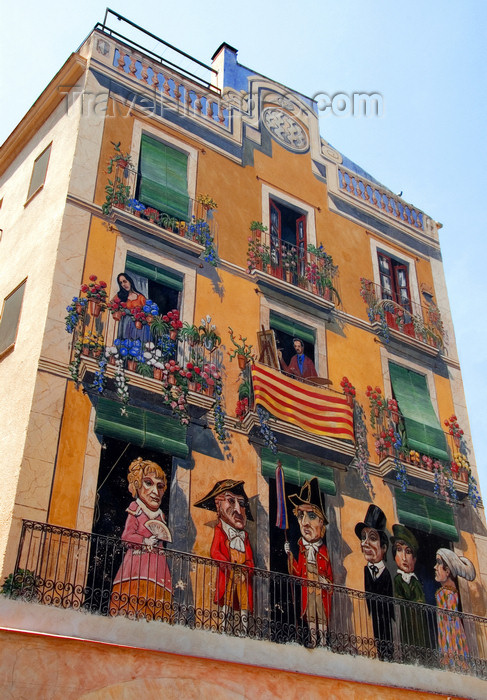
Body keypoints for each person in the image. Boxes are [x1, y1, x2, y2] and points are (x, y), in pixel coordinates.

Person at [110, 457, 172, 621]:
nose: (155, 491)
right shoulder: (136, 508)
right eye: (148, 483)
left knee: (157, 609)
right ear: (137, 485)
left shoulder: (161, 515)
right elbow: (126, 536)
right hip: (137, 566)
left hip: (159, 568)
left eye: (160, 486)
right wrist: (144, 541)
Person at [194, 479, 255, 630]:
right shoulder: (220, 531)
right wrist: (229, 566)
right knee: (226, 600)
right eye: (230, 501)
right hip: (228, 574)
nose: (238, 509)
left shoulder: (245, 536)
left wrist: (247, 569)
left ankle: (244, 628)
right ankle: (223, 626)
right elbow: (215, 552)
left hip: (242, 575)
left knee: (244, 602)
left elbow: (250, 559)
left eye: (241, 503)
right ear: (218, 506)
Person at [284, 477, 333, 647]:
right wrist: (290, 555)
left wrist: (325, 581)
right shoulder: (302, 549)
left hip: (320, 589)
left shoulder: (324, 551)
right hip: (308, 588)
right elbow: (297, 572)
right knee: (311, 614)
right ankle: (313, 640)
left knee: (322, 615)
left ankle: (324, 641)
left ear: (321, 522)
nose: (304, 522)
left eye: (311, 516)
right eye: (300, 515)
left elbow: (330, 578)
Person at [355, 505, 395, 660]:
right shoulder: (365, 571)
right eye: (363, 538)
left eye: (372, 538)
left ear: (383, 548)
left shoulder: (387, 575)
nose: (365, 543)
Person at [434, 548, 476, 669]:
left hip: (450, 635)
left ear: (447, 571)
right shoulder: (445, 592)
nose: (435, 567)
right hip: (446, 633)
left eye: (438, 563)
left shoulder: (448, 593)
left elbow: (450, 620)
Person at [391, 524, 429, 652]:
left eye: (408, 552)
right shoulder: (398, 579)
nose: (404, 557)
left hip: (418, 623)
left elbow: (420, 600)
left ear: (414, 559)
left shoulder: (415, 581)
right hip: (405, 620)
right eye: (399, 550)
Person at [112, 272, 150, 341]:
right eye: (121, 283)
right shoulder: (120, 295)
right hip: (124, 325)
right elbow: (111, 304)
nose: (123, 284)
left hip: (137, 327)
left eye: (125, 281)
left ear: (130, 281)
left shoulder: (140, 297)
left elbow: (147, 312)